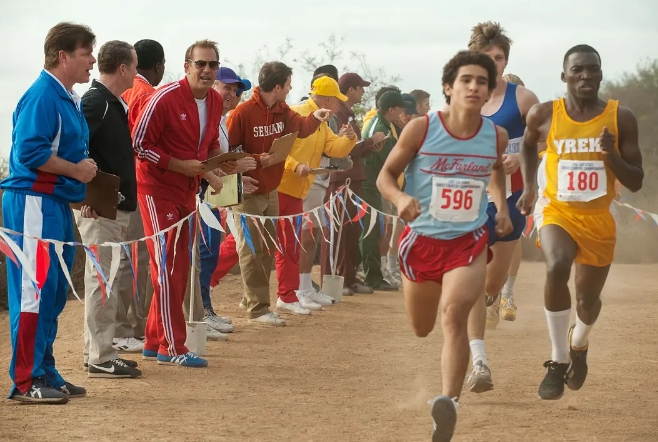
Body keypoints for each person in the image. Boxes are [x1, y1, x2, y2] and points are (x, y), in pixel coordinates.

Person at [377, 50, 511, 442]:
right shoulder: (421, 128)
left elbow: (496, 171)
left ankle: (448, 404)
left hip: (467, 243)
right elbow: (387, 175)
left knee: (454, 314)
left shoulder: (495, 136)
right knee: (422, 328)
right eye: (466, 80)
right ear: (449, 87)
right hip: (420, 242)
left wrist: (500, 206)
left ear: (488, 92)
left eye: (482, 81)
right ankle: (446, 395)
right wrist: (401, 200)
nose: (474, 86)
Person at [518, 44, 643, 401]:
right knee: (557, 265)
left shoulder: (622, 118)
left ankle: (579, 345)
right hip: (557, 210)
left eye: (592, 69)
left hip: (598, 217)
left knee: (588, 303)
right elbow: (528, 147)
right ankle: (557, 361)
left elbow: (636, 181)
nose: (586, 75)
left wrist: (611, 155)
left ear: (601, 74)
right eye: (578, 70)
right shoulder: (544, 114)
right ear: (564, 76)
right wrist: (529, 187)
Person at [1, 22, 98, 403]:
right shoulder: (43, 94)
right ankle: (26, 380)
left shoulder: (65, 96)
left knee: (54, 291)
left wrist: (78, 191)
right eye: (86, 52)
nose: (92, 58)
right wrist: (76, 172)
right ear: (63, 56)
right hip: (31, 204)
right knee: (34, 291)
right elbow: (29, 153)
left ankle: (45, 369)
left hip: (52, 204)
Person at [132, 39, 226, 367]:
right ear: (186, 66)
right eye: (200, 63)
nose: (207, 70)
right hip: (157, 189)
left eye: (212, 65)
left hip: (188, 191)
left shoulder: (215, 100)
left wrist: (221, 167)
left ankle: (155, 340)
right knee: (167, 265)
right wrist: (179, 165)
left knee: (180, 265)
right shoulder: (164, 97)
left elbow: (211, 143)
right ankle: (172, 347)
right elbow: (140, 144)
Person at [462, 22, 540, 394]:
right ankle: (479, 361)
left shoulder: (523, 99)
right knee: (475, 281)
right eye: (488, 58)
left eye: (500, 58)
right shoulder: (464, 97)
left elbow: (547, 142)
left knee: (492, 281)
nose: (494, 64)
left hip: (511, 201)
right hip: (472, 201)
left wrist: (522, 161)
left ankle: (496, 298)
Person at [227, 61, 331, 324]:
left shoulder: (282, 110)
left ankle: (253, 299)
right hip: (247, 190)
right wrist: (253, 164)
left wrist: (315, 119)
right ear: (277, 86)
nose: (291, 88)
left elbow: (301, 128)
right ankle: (258, 309)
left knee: (265, 250)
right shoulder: (242, 113)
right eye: (288, 84)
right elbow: (226, 153)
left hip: (271, 189)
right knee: (251, 250)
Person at [75, 40, 142, 378]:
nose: (136, 71)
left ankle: (99, 351)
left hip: (114, 208)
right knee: (101, 279)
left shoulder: (112, 103)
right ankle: (100, 357)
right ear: (123, 69)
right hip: (100, 209)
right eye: (134, 66)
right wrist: (85, 198)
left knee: (108, 279)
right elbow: (76, 148)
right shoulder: (95, 101)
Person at [186, 67, 256, 340]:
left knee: (210, 254)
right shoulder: (204, 117)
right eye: (227, 87)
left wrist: (238, 182)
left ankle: (206, 309)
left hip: (214, 197)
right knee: (203, 255)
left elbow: (219, 164)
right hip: (200, 198)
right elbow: (204, 161)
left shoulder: (221, 120)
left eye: (237, 90)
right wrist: (235, 171)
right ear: (212, 86)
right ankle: (200, 312)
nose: (233, 94)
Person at [278, 76, 357, 311]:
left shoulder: (322, 122)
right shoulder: (296, 112)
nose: (338, 106)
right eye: (336, 101)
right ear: (327, 99)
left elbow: (334, 148)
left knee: (293, 243)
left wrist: (349, 138)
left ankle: (291, 293)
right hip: (282, 186)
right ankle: (288, 294)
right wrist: (295, 166)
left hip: (298, 189)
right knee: (280, 244)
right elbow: (277, 147)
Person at [114, 39, 166, 353]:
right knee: (136, 259)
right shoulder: (146, 94)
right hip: (137, 185)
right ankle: (131, 327)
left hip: (123, 184)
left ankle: (131, 326)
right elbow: (143, 145)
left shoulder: (124, 89)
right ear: (158, 65)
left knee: (127, 258)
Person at [320, 72, 383, 295]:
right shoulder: (337, 114)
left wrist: (368, 146)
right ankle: (332, 279)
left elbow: (353, 149)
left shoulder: (348, 113)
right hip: (340, 179)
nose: (363, 92)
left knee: (351, 229)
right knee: (337, 230)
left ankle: (347, 278)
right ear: (350, 90)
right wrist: (369, 141)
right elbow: (340, 148)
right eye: (360, 88)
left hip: (352, 177)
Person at [360, 90, 407, 291]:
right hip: (370, 184)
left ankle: (374, 273)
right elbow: (392, 160)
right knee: (371, 231)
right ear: (391, 109)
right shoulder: (379, 127)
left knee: (376, 229)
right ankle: (371, 275)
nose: (402, 111)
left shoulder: (385, 125)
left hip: (374, 184)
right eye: (399, 108)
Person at [498, 73, 526, 316]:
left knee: (514, 239)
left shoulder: (529, 119)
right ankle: (491, 295)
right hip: (487, 186)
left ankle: (507, 295)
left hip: (517, 186)